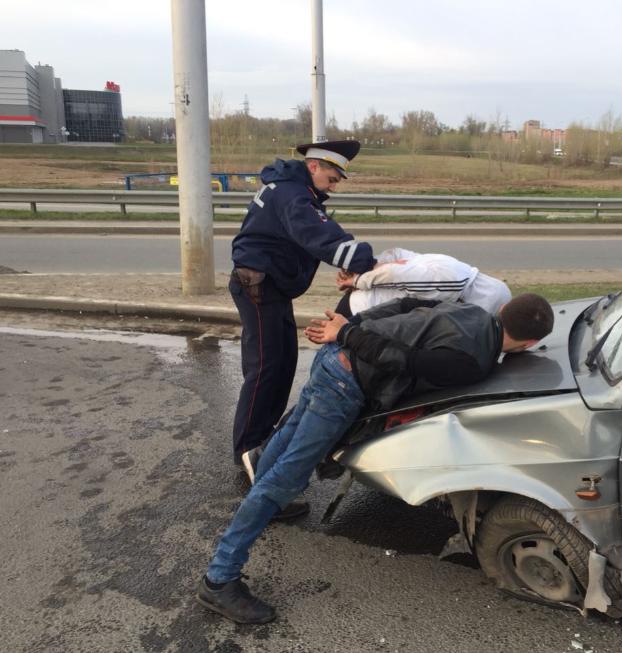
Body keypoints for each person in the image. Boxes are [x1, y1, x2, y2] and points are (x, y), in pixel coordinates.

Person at [195, 293, 555, 624]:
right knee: (284, 479)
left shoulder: (472, 310)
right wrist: (350, 333)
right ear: (529, 344)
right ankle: (219, 579)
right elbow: (403, 360)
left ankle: (264, 504)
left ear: (503, 310)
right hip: (345, 381)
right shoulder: (474, 361)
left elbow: (405, 304)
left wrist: (352, 326)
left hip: (333, 362)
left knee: (287, 437)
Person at [229, 140, 376, 481]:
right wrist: (366, 260)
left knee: (281, 365)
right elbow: (317, 234)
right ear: (314, 167)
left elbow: (323, 229)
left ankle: (264, 442)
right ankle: (249, 453)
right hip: (258, 286)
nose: (335, 185)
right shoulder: (293, 193)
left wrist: (350, 258)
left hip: (268, 286)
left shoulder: (294, 191)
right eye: (333, 176)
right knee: (266, 369)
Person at [334, 247, 512, 317]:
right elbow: (394, 272)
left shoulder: (459, 269)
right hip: (362, 311)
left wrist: (369, 267)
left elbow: (397, 254)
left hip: (367, 307)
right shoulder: (450, 284)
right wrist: (357, 280)